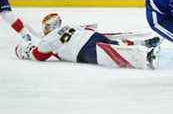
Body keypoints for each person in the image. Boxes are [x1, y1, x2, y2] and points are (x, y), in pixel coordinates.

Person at [15, 13, 161, 70]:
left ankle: (146, 56)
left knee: (114, 55)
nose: (45, 28)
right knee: (115, 44)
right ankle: (141, 44)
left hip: (81, 51)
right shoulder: (68, 26)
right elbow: (90, 27)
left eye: (46, 26)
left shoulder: (47, 39)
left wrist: (25, 50)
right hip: (91, 36)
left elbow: (38, 56)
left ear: (52, 25)